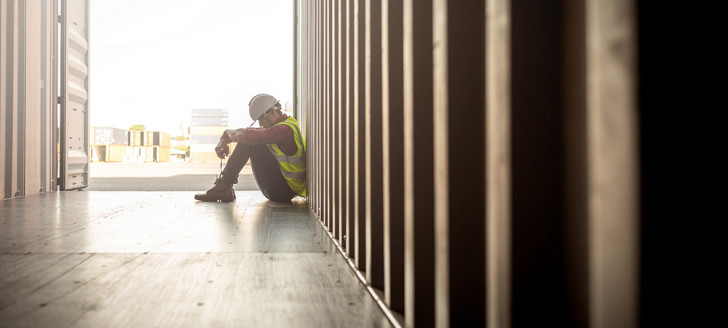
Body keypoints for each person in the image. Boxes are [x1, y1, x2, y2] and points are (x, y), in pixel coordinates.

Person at [194, 94, 306, 203]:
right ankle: (224, 187)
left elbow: (254, 136)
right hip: (284, 187)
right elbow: (254, 133)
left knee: (249, 142)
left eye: (261, 119)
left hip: (283, 191)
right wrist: (224, 138)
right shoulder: (283, 125)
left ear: (272, 111)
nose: (260, 123)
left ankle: (223, 187)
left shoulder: (286, 129)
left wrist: (226, 134)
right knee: (250, 139)